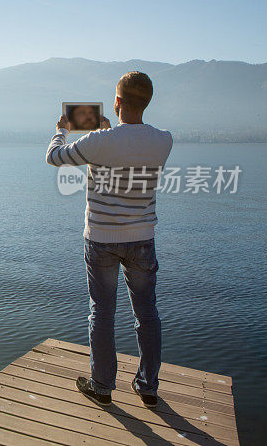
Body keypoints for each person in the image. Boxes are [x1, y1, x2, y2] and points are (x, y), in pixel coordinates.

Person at [45, 71, 173, 409]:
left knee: (101, 312)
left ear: (116, 102)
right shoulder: (164, 140)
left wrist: (61, 129)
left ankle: (102, 385)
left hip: (101, 238)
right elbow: (128, 150)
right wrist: (106, 133)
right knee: (147, 313)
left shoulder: (97, 143)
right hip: (143, 238)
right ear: (147, 102)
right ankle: (147, 386)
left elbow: (55, 157)